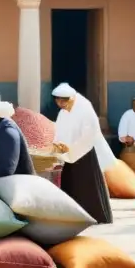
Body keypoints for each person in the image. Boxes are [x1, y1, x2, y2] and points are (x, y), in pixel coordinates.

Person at [50, 82, 113, 224]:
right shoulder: (63, 112)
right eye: (58, 100)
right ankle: (73, 216)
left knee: (87, 186)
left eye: (63, 100)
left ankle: (96, 217)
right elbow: (59, 130)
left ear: (71, 98)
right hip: (68, 155)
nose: (60, 104)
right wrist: (58, 144)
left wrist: (72, 148)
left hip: (86, 154)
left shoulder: (85, 109)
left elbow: (89, 134)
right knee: (70, 184)